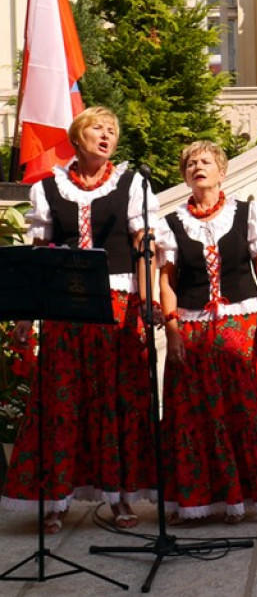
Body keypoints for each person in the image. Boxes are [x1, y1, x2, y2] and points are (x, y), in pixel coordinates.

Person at [1, 107, 158, 533]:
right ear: (77, 135)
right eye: (97, 128)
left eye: (112, 130)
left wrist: (147, 302)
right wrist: (23, 316)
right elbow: (37, 252)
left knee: (118, 399)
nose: (106, 135)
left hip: (118, 304)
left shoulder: (132, 183)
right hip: (63, 306)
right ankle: (55, 499)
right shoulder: (49, 187)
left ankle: (122, 498)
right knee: (61, 402)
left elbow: (144, 248)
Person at [157, 141, 257, 522]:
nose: (198, 167)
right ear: (184, 176)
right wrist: (173, 329)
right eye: (191, 163)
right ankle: (197, 499)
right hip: (192, 329)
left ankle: (246, 496)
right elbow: (167, 280)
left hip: (240, 325)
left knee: (243, 410)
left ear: (222, 171)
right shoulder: (172, 222)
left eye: (206, 161)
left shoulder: (246, 213)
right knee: (192, 415)